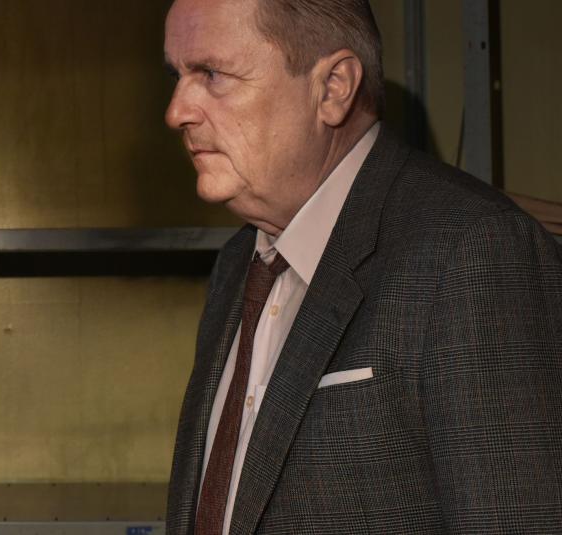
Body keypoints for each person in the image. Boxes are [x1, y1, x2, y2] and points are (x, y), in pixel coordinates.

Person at [162, 0, 562, 534]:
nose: (176, 111)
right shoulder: (240, 261)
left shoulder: (472, 250)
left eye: (212, 74)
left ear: (333, 88)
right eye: (177, 76)